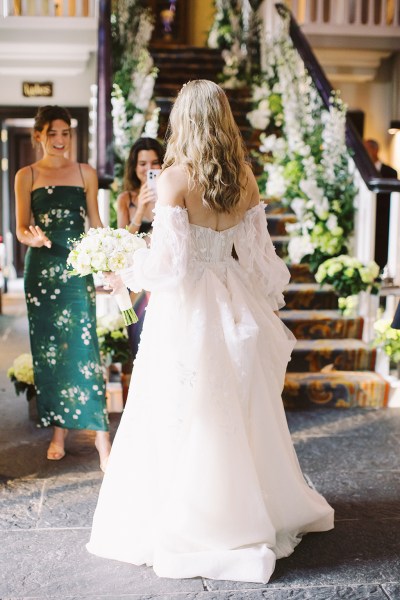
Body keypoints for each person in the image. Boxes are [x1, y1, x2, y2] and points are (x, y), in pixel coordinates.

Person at [87, 80, 334, 583]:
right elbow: (262, 259)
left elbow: (171, 267)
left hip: (187, 309)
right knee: (235, 407)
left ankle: (195, 512)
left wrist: (126, 273)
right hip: (232, 297)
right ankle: (243, 505)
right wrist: (264, 303)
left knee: (183, 407)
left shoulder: (175, 180)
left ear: (185, 120)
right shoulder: (243, 177)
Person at [15, 105, 111, 470]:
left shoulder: (85, 172)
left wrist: (111, 251)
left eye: (65, 133)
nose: (59, 140)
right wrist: (33, 240)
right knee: (51, 353)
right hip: (41, 271)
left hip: (77, 268)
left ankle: (102, 435)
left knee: (85, 347)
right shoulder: (26, 175)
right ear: (39, 135)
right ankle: (59, 432)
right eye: (52, 133)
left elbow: (96, 223)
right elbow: (22, 227)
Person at [116, 137, 164, 360]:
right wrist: (140, 209)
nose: (149, 169)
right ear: (134, 167)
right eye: (143, 164)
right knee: (141, 343)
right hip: (138, 283)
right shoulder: (125, 199)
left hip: (165, 279)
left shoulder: (172, 194)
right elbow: (122, 244)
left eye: (155, 163)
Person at [364, 138, 398, 271]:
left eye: (366, 149)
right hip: (366, 220)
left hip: (383, 221)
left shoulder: (390, 172)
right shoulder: (363, 172)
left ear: (375, 150)